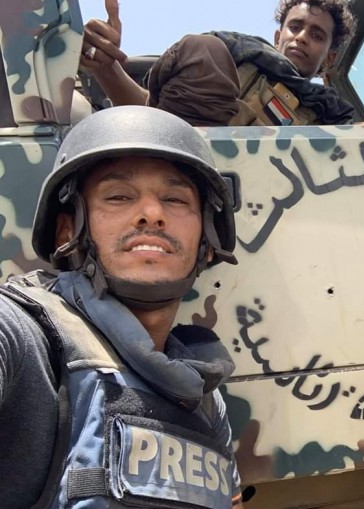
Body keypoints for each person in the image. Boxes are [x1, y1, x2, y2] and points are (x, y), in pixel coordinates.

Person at [0, 105, 243, 508]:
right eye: (118, 196)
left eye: (175, 199)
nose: (152, 214)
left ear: (208, 241)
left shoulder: (202, 394)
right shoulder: (24, 337)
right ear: (67, 230)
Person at [79, 0, 364, 126]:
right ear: (278, 35)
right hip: (174, 160)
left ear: (329, 60)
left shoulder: (328, 113)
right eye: (295, 27)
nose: (302, 37)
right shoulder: (233, 55)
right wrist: (107, 68)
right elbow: (154, 115)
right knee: (201, 50)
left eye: (317, 35)